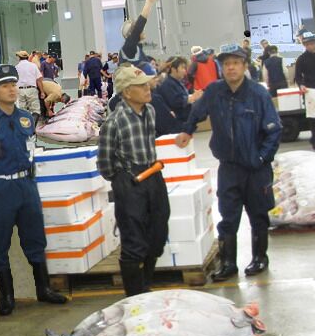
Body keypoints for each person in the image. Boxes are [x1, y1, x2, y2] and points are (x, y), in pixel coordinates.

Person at [0, 65, 68, 315]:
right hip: (0, 188)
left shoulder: (25, 118)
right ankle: (7, 296)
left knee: (35, 238)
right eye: (5, 86)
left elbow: (31, 149)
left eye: (13, 84)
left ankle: (43, 289)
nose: (12, 89)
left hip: (26, 185)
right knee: (0, 243)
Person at [175, 44, 282, 281]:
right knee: (228, 217)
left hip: (256, 168)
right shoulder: (214, 91)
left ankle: (260, 258)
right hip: (229, 167)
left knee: (258, 215)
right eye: (226, 64)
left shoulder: (258, 94)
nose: (230, 67)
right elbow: (197, 112)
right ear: (221, 67)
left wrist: (262, 157)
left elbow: (274, 131)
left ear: (244, 65)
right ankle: (228, 263)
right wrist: (187, 130)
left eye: (235, 62)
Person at [96, 66, 169, 296]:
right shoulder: (114, 123)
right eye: (142, 86)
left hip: (154, 176)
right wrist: (122, 182)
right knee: (134, 240)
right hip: (129, 182)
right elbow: (105, 163)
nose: (148, 89)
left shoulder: (150, 111)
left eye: (148, 84)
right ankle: (135, 296)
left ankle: (146, 283)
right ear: (127, 92)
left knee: (157, 233)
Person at [151, 56, 202, 136]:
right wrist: (191, 98)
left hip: (183, 124)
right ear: (173, 69)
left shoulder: (177, 83)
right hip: (175, 126)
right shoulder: (167, 84)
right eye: (182, 68)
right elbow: (175, 101)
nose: (185, 71)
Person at [120, 0, 161, 73]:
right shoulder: (129, 48)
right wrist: (149, 2)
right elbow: (139, 25)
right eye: (139, 29)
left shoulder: (137, 49)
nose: (142, 29)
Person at [14, 50, 45, 120]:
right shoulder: (33, 66)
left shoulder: (16, 67)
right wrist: (42, 92)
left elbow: (14, 82)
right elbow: (39, 79)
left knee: (22, 111)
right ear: (27, 57)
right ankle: (32, 127)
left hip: (20, 90)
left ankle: (26, 129)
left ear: (19, 58)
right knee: (36, 110)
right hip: (32, 89)